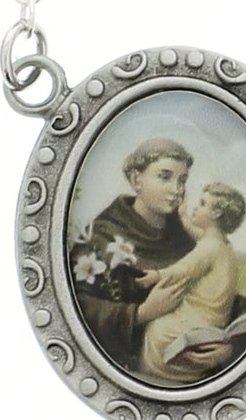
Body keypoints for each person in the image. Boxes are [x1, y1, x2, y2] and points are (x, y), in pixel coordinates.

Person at [71, 137, 200, 377]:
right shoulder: (101, 238)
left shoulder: (186, 240)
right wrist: (141, 313)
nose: (177, 190)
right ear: (136, 180)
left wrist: (226, 345)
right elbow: (76, 308)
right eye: (164, 177)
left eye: (182, 180)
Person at [139, 184, 246, 384]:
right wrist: (184, 218)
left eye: (202, 204)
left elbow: (183, 269)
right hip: (214, 319)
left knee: (157, 330)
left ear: (216, 213)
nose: (195, 207)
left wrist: (156, 275)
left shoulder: (208, 249)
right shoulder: (220, 243)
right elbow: (200, 236)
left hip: (199, 318)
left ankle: (161, 377)